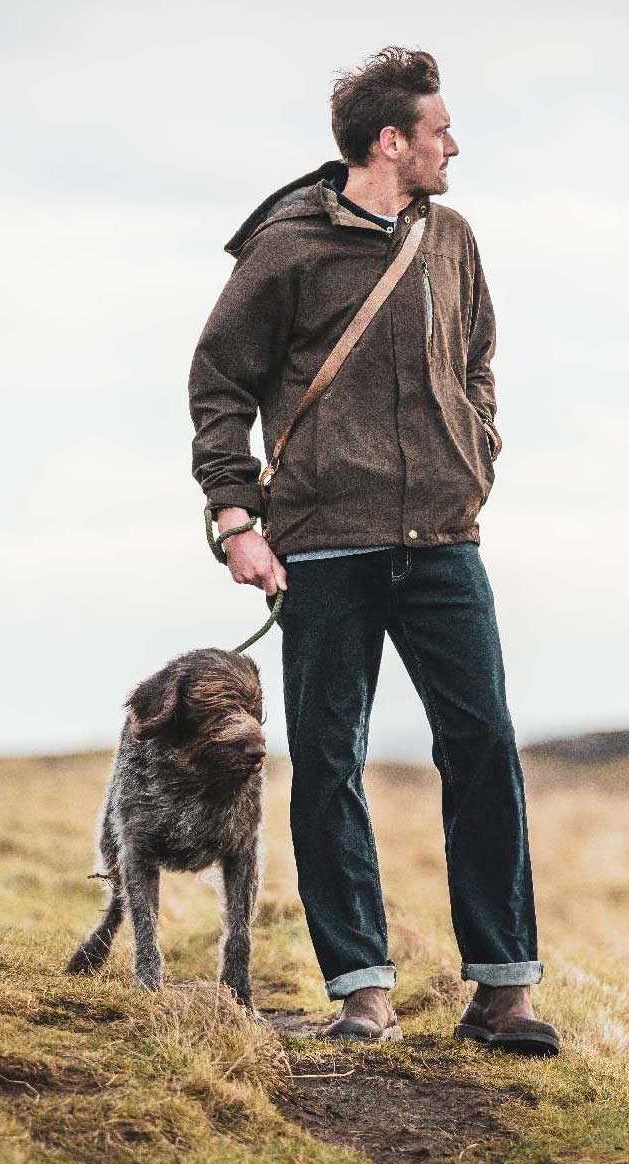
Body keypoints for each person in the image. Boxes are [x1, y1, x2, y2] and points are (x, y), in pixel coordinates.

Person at [188, 46, 560, 1055]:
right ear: (388, 141)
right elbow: (219, 381)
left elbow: (478, 357)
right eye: (439, 129)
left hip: (444, 537)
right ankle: (363, 992)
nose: (453, 145)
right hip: (323, 543)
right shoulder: (287, 247)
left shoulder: (452, 239)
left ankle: (503, 990)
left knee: (482, 747)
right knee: (330, 764)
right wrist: (235, 519)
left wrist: (472, 447)